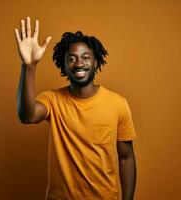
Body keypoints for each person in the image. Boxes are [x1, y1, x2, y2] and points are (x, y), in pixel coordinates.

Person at [15, 16, 137, 200]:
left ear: (96, 62)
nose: (79, 64)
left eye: (85, 57)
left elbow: (126, 158)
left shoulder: (117, 104)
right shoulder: (52, 100)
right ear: (63, 65)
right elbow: (27, 116)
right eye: (71, 59)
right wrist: (28, 66)